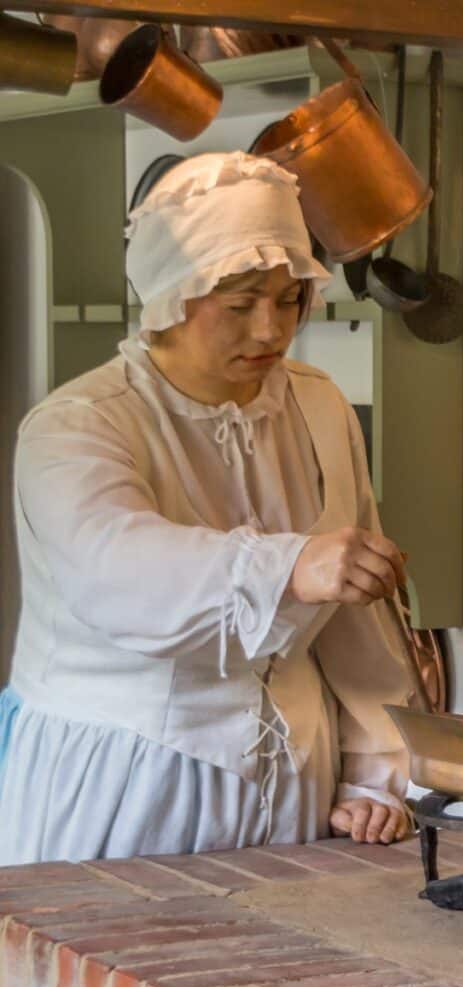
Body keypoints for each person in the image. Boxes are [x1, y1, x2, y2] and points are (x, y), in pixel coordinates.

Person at [0, 151, 414, 865]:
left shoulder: (316, 406)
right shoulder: (77, 425)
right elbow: (116, 572)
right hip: (123, 789)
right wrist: (291, 564)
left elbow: (356, 620)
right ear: (170, 293)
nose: (271, 330)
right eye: (240, 303)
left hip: (296, 794)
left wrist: (378, 776)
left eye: (290, 300)